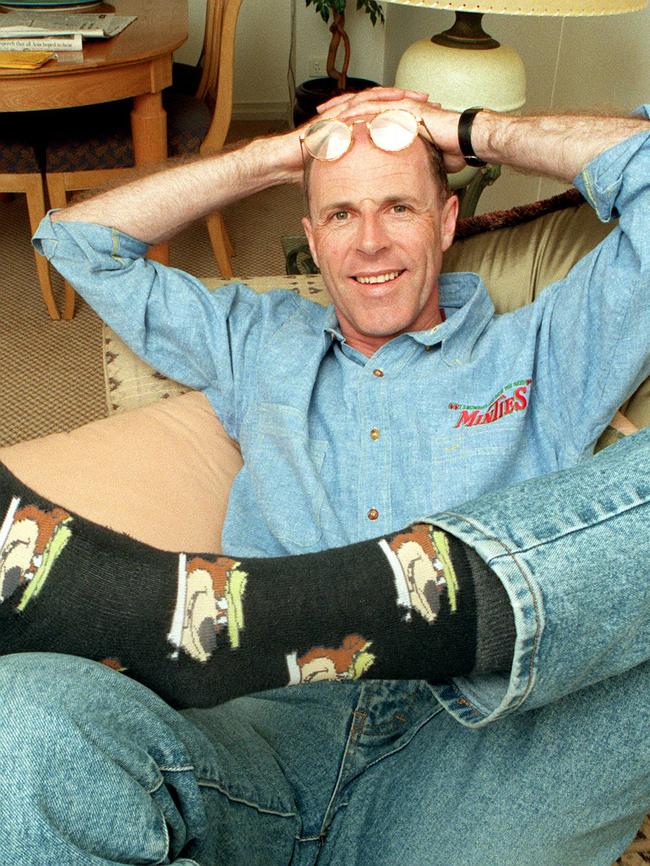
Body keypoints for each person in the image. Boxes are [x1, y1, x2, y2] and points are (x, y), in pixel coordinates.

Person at [0, 87, 648, 865]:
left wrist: (470, 132)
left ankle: (217, 619)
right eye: (342, 214)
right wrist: (271, 156)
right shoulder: (257, 338)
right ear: (311, 235)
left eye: (399, 207)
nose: (369, 242)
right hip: (264, 737)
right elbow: (75, 242)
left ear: (447, 221)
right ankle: (272, 625)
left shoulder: (545, 349)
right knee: (22, 714)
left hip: (469, 751)